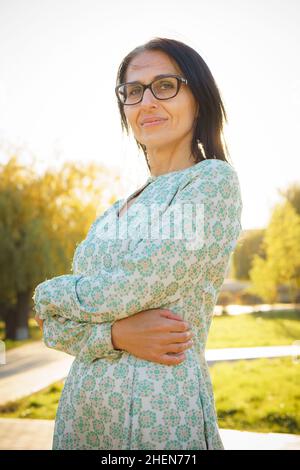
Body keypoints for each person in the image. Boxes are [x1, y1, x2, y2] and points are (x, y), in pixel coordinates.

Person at [33, 37, 243, 450]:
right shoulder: (116, 208)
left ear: (198, 97)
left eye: (165, 85)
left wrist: (46, 294)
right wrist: (114, 336)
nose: (146, 101)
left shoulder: (211, 181)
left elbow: (134, 284)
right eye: (133, 91)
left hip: (158, 412)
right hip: (84, 416)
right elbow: (53, 330)